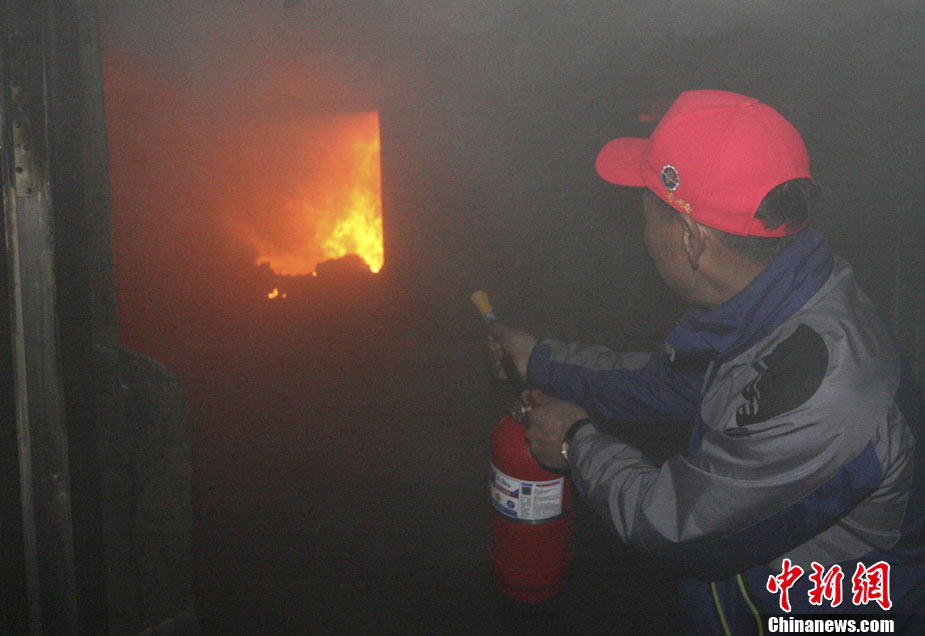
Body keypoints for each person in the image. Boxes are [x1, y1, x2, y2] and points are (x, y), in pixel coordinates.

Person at [489, 90, 924, 634]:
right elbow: (665, 385)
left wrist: (577, 443)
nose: (640, 234)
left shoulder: (822, 387)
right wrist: (541, 360)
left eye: (644, 213)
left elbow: (681, 528)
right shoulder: (772, 301)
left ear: (691, 239)